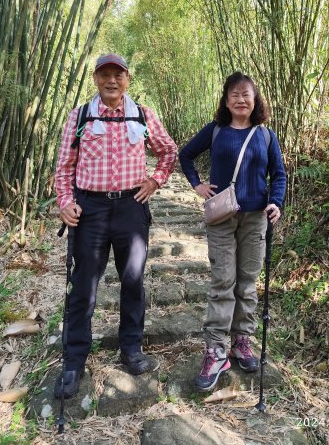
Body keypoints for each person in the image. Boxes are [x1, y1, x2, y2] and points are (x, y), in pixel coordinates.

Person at [54, 53, 177, 399]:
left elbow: (168, 152)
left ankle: (131, 348)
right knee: (83, 288)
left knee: (133, 281)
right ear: (95, 79)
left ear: (128, 79)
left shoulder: (142, 114)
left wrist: (154, 181)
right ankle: (74, 359)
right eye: (104, 74)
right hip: (90, 209)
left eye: (117, 75)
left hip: (130, 206)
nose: (111, 80)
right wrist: (65, 202)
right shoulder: (80, 116)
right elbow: (64, 168)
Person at [179, 71, 286, 391]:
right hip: (222, 217)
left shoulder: (266, 135)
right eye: (235, 95)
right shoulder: (216, 131)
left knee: (248, 283)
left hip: (255, 219)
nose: (241, 99)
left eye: (246, 95)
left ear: (256, 101)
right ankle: (215, 349)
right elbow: (185, 155)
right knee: (223, 280)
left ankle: (242, 340)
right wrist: (197, 184)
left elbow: (278, 174)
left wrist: (276, 202)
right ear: (226, 101)